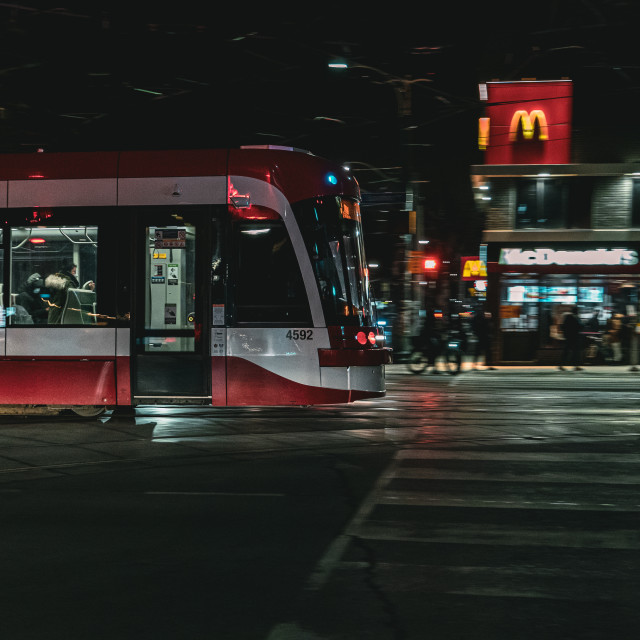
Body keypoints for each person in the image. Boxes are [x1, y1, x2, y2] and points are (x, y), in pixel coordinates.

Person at [558, 305, 584, 371]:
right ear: (576, 311)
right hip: (574, 337)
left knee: (567, 351)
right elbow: (580, 326)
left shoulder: (568, 317)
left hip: (569, 337)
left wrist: (565, 334)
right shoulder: (575, 317)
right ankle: (576, 366)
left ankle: (562, 365)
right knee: (575, 352)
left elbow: (563, 326)